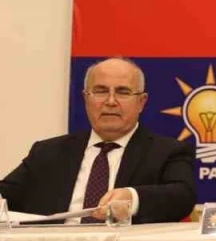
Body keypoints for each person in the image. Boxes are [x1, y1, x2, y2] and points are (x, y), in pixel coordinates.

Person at [0, 57, 196, 223]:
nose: (110, 101)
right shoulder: (48, 152)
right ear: (86, 98)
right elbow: (5, 194)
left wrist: (132, 198)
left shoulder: (167, 152)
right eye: (101, 91)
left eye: (123, 92)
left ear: (141, 102)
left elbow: (183, 197)